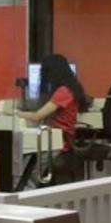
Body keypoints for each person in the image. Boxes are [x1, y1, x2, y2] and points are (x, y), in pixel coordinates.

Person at [18, 53, 91, 184]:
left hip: (58, 142)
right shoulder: (70, 88)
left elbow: (37, 116)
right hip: (55, 139)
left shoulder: (64, 91)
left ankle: (25, 192)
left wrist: (15, 113)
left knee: (26, 169)